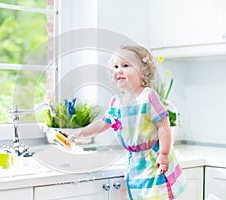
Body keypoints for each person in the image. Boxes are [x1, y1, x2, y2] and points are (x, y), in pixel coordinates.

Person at [67, 45, 187, 200]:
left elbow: (163, 124)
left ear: (142, 72)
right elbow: (103, 124)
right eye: (116, 66)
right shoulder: (116, 102)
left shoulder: (148, 97)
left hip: (153, 159)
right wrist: (80, 132)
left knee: (158, 195)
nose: (119, 70)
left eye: (125, 66)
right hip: (134, 163)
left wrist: (163, 154)